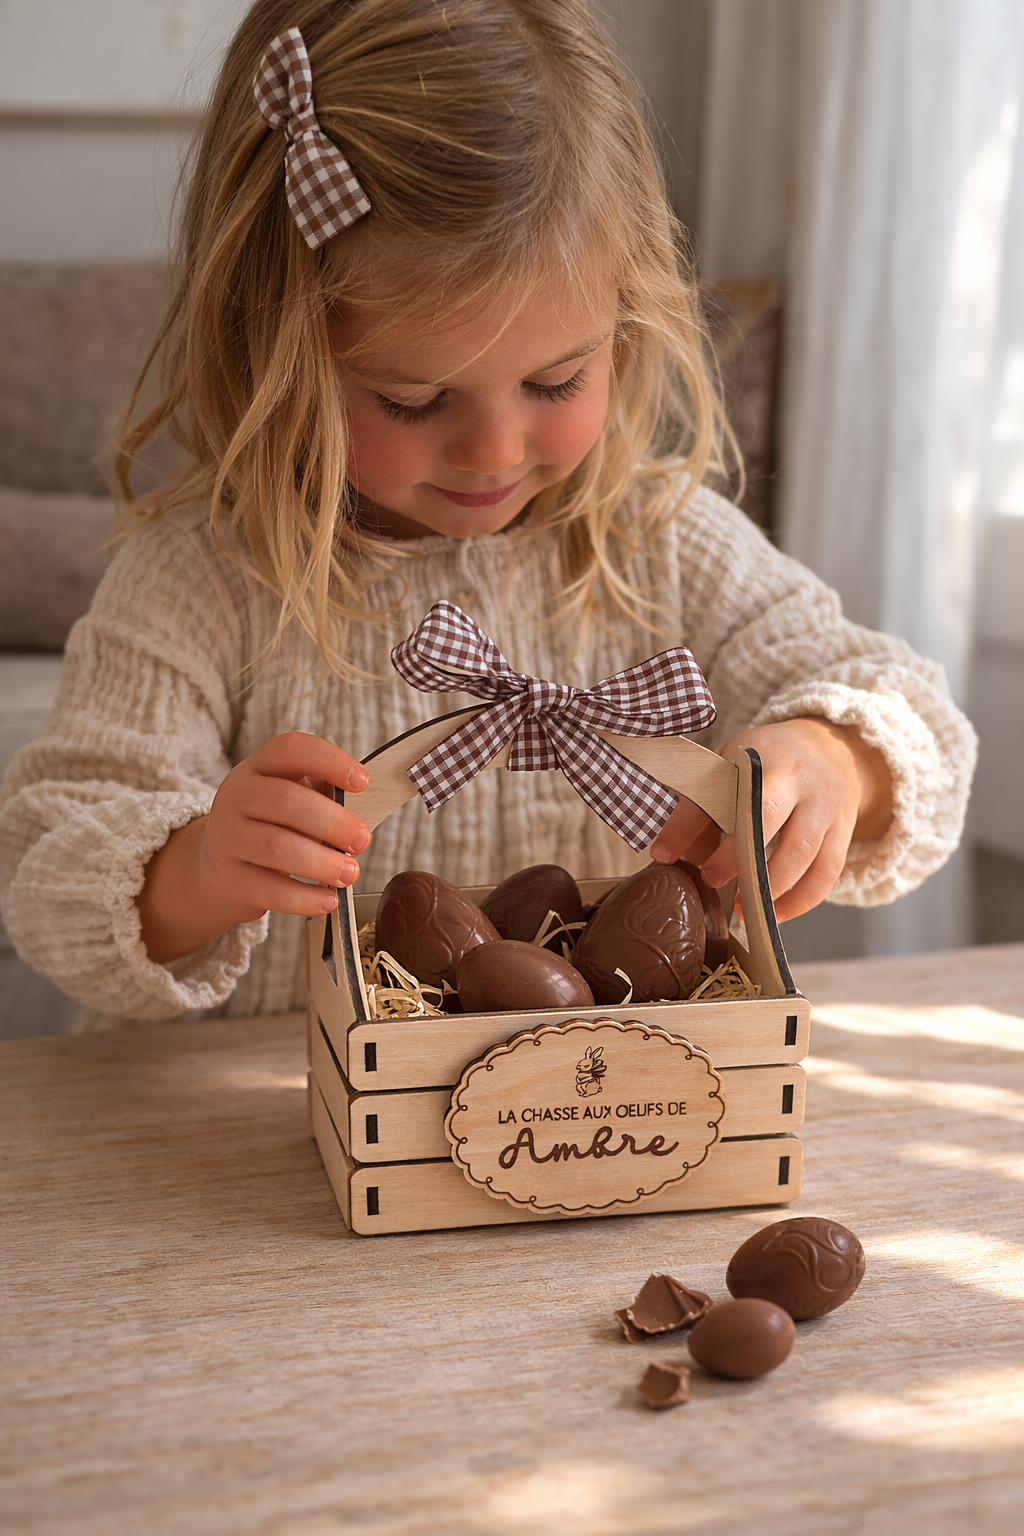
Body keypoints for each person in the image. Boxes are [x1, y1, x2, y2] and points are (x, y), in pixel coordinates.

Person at [0, 0, 974, 1027]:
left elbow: (915, 721)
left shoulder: (661, 544)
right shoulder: (202, 578)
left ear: (624, 324)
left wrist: (835, 758)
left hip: (599, 1105)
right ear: (273, 351)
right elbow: (48, 870)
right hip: (261, 1114)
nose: (495, 452)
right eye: (413, 400)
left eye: (555, 382)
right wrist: (196, 871)